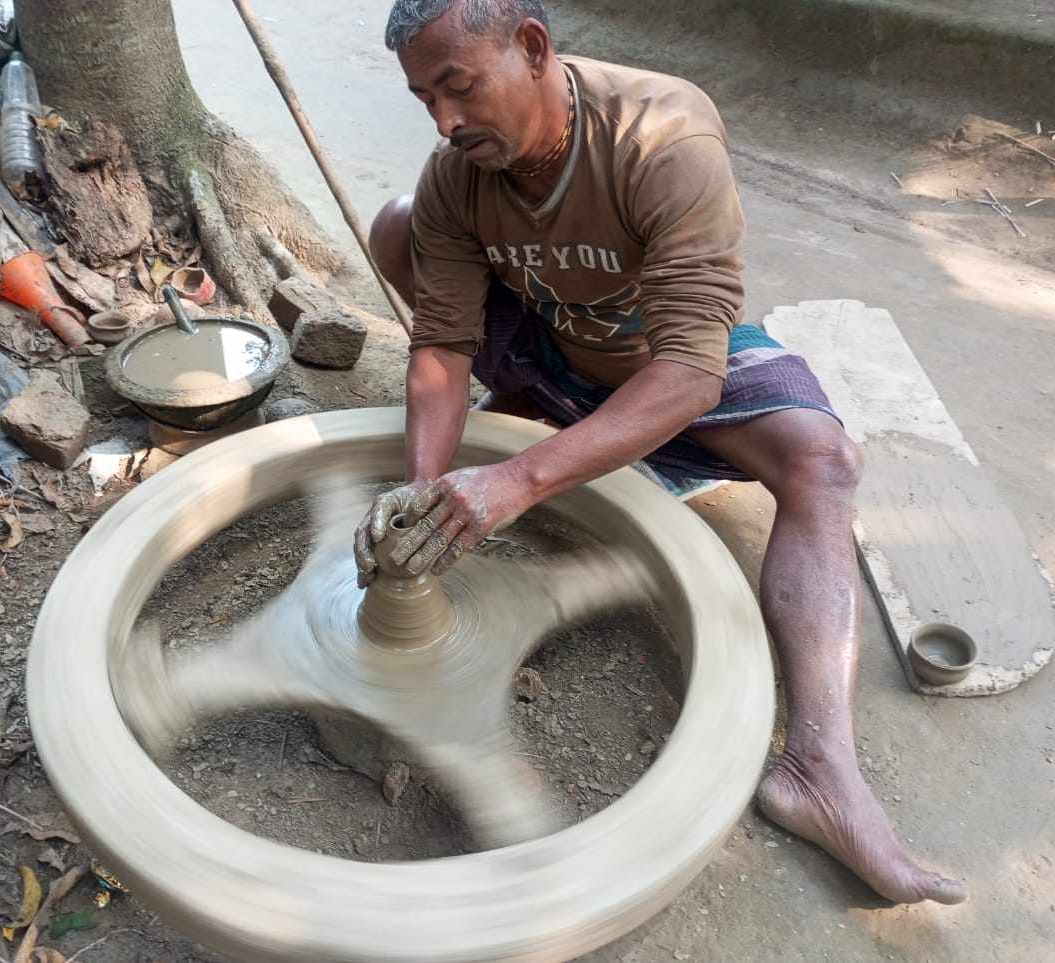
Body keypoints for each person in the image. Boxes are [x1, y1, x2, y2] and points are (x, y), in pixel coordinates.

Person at [353, 0, 966, 905]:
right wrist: (424, 491)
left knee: (823, 461)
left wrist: (518, 477)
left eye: (460, 88)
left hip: (667, 366)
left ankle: (819, 770)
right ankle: (538, 408)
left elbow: (690, 373)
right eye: (423, 99)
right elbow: (442, 343)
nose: (445, 122)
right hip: (556, 343)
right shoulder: (460, 173)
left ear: (531, 49)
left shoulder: (661, 135)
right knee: (401, 221)